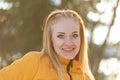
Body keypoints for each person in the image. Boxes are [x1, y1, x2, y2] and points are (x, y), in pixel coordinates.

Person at [0, 9, 95, 80]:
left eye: (74, 35)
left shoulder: (85, 76)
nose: (69, 43)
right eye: (61, 36)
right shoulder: (34, 62)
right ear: (51, 39)